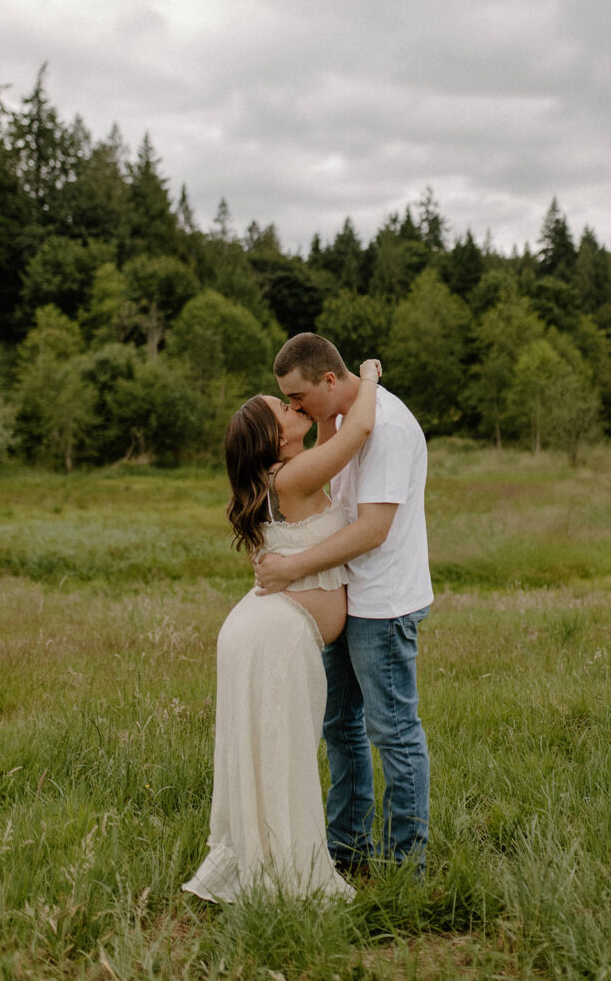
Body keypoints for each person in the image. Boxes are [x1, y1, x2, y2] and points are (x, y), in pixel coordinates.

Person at [182, 357, 382, 904]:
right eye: (284, 409)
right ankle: (288, 878)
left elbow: (330, 431)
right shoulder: (292, 477)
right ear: (274, 439)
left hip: (263, 629)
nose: (296, 407)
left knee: (271, 749)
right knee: (282, 751)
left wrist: (326, 405)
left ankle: (266, 864)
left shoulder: (284, 474)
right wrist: (367, 376)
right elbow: (358, 429)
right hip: (275, 636)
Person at [255, 333, 433, 874]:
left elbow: (373, 529)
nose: (295, 409)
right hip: (348, 599)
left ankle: (405, 865)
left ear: (329, 381)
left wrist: (292, 568)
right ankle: (348, 851)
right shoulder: (340, 421)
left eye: (299, 398)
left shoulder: (390, 428)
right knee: (341, 728)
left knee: (393, 734)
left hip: (383, 605)